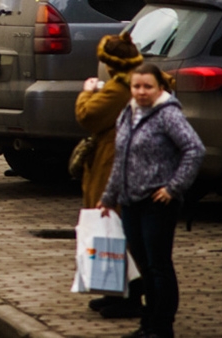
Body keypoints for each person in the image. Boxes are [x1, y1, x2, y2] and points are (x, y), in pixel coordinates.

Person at [99, 62, 205, 338]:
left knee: (159, 266)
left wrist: (174, 187)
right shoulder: (128, 112)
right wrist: (109, 197)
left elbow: (194, 149)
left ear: (160, 88)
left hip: (158, 203)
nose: (142, 92)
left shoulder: (168, 114)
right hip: (130, 201)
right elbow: (121, 159)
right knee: (144, 265)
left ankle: (162, 326)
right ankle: (147, 324)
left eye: (148, 86)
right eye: (137, 86)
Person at [75, 33, 144, 319]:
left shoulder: (119, 87)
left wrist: (87, 91)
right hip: (113, 156)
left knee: (112, 223)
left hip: (112, 158)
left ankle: (128, 294)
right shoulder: (129, 84)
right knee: (110, 225)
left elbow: (88, 115)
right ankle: (112, 289)